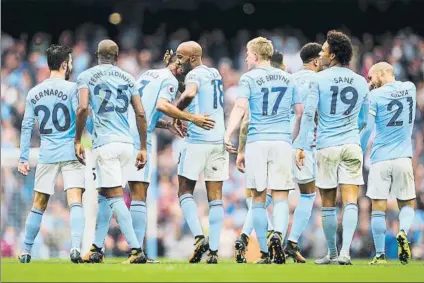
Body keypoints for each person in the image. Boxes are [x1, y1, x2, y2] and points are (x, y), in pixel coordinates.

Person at [83, 50, 215, 263]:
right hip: (138, 140)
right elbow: (162, 105)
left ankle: (96, 248)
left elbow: (142, 108)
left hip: (120, 134)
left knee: (107, 194)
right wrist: (192, 118)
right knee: (138, 195)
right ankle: (137, 252)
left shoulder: (147, 74)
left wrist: (164, 124)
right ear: (178, 67)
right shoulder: (170, 80)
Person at [225, 37, 303, 264]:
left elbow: (241, 108)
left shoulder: (248, 78)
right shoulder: (289, 78)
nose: (246, 57)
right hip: (282, 142)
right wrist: (293, 138)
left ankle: (266, 251)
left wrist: (228, 132)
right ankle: (278, 235)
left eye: (248, 53)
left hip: (257, 143)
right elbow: (299, 111)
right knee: (280, 196)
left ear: (256, 55)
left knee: (257, 198)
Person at [295, 30, 369, 265]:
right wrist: (353, 137)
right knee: (350, 201)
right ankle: (346, 252)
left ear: (334, 55)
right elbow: (364, 120)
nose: (322, 52)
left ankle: (332, 253)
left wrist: (301, 144)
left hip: (327, 146)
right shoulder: (360, 81)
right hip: (351, 144)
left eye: (325, 49)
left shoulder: (319, 79)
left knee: (327, 203)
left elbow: (309, 113)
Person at [74, 39, 147, 264]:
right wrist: (143, 146)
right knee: (104, 196)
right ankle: (96, 248)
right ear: (117, 56)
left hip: (105, 145)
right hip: (127, 144)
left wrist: (78, 139)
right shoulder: (128, 77)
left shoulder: (85, 76)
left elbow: (84, 107)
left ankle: (136, 250)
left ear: (97, 55)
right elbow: (141, 113)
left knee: (114, 197)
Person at [18, 45, 85, 263]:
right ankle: (76, 247)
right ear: (65, 64)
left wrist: (23, 157)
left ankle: (26, 251)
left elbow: (27, 126)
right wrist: (79, 140)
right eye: (71, 62)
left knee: (38, 204)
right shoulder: (73, 88)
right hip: (70, 151)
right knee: (75, 200)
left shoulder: (34, 92)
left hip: (47, 153)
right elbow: (80, 114)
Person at [174, 41, 228, 264]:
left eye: (181, 57)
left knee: (184, 191)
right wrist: (180, 80)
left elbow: (190, 92)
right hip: (218, 142)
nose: (178, 61)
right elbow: (190, 87)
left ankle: (198, 237)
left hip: (197, 141)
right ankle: (214, 251)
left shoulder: (194, 76)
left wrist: (177, 111)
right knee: (215, 197)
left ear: (193, 58)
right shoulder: (214, 73)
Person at [360, 62, 416, 265]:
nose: (370, 81)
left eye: (372, 77)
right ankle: (402, 231)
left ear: (383, 73)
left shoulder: (374, 96)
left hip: (380, 158)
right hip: (403, 157)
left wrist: (359, 149)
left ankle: (380, 255)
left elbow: (367, 128)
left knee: (378, 207)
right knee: (407, 203)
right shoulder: (410, 88)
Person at [285, 42, 322, 263]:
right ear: (316, 60)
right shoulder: (319, 80)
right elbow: (312, 113)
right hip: (305, 143)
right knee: (308, 194)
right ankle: (291, 242)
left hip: (282, 141)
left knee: (272, 195)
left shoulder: (289, 78)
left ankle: (268, 241)